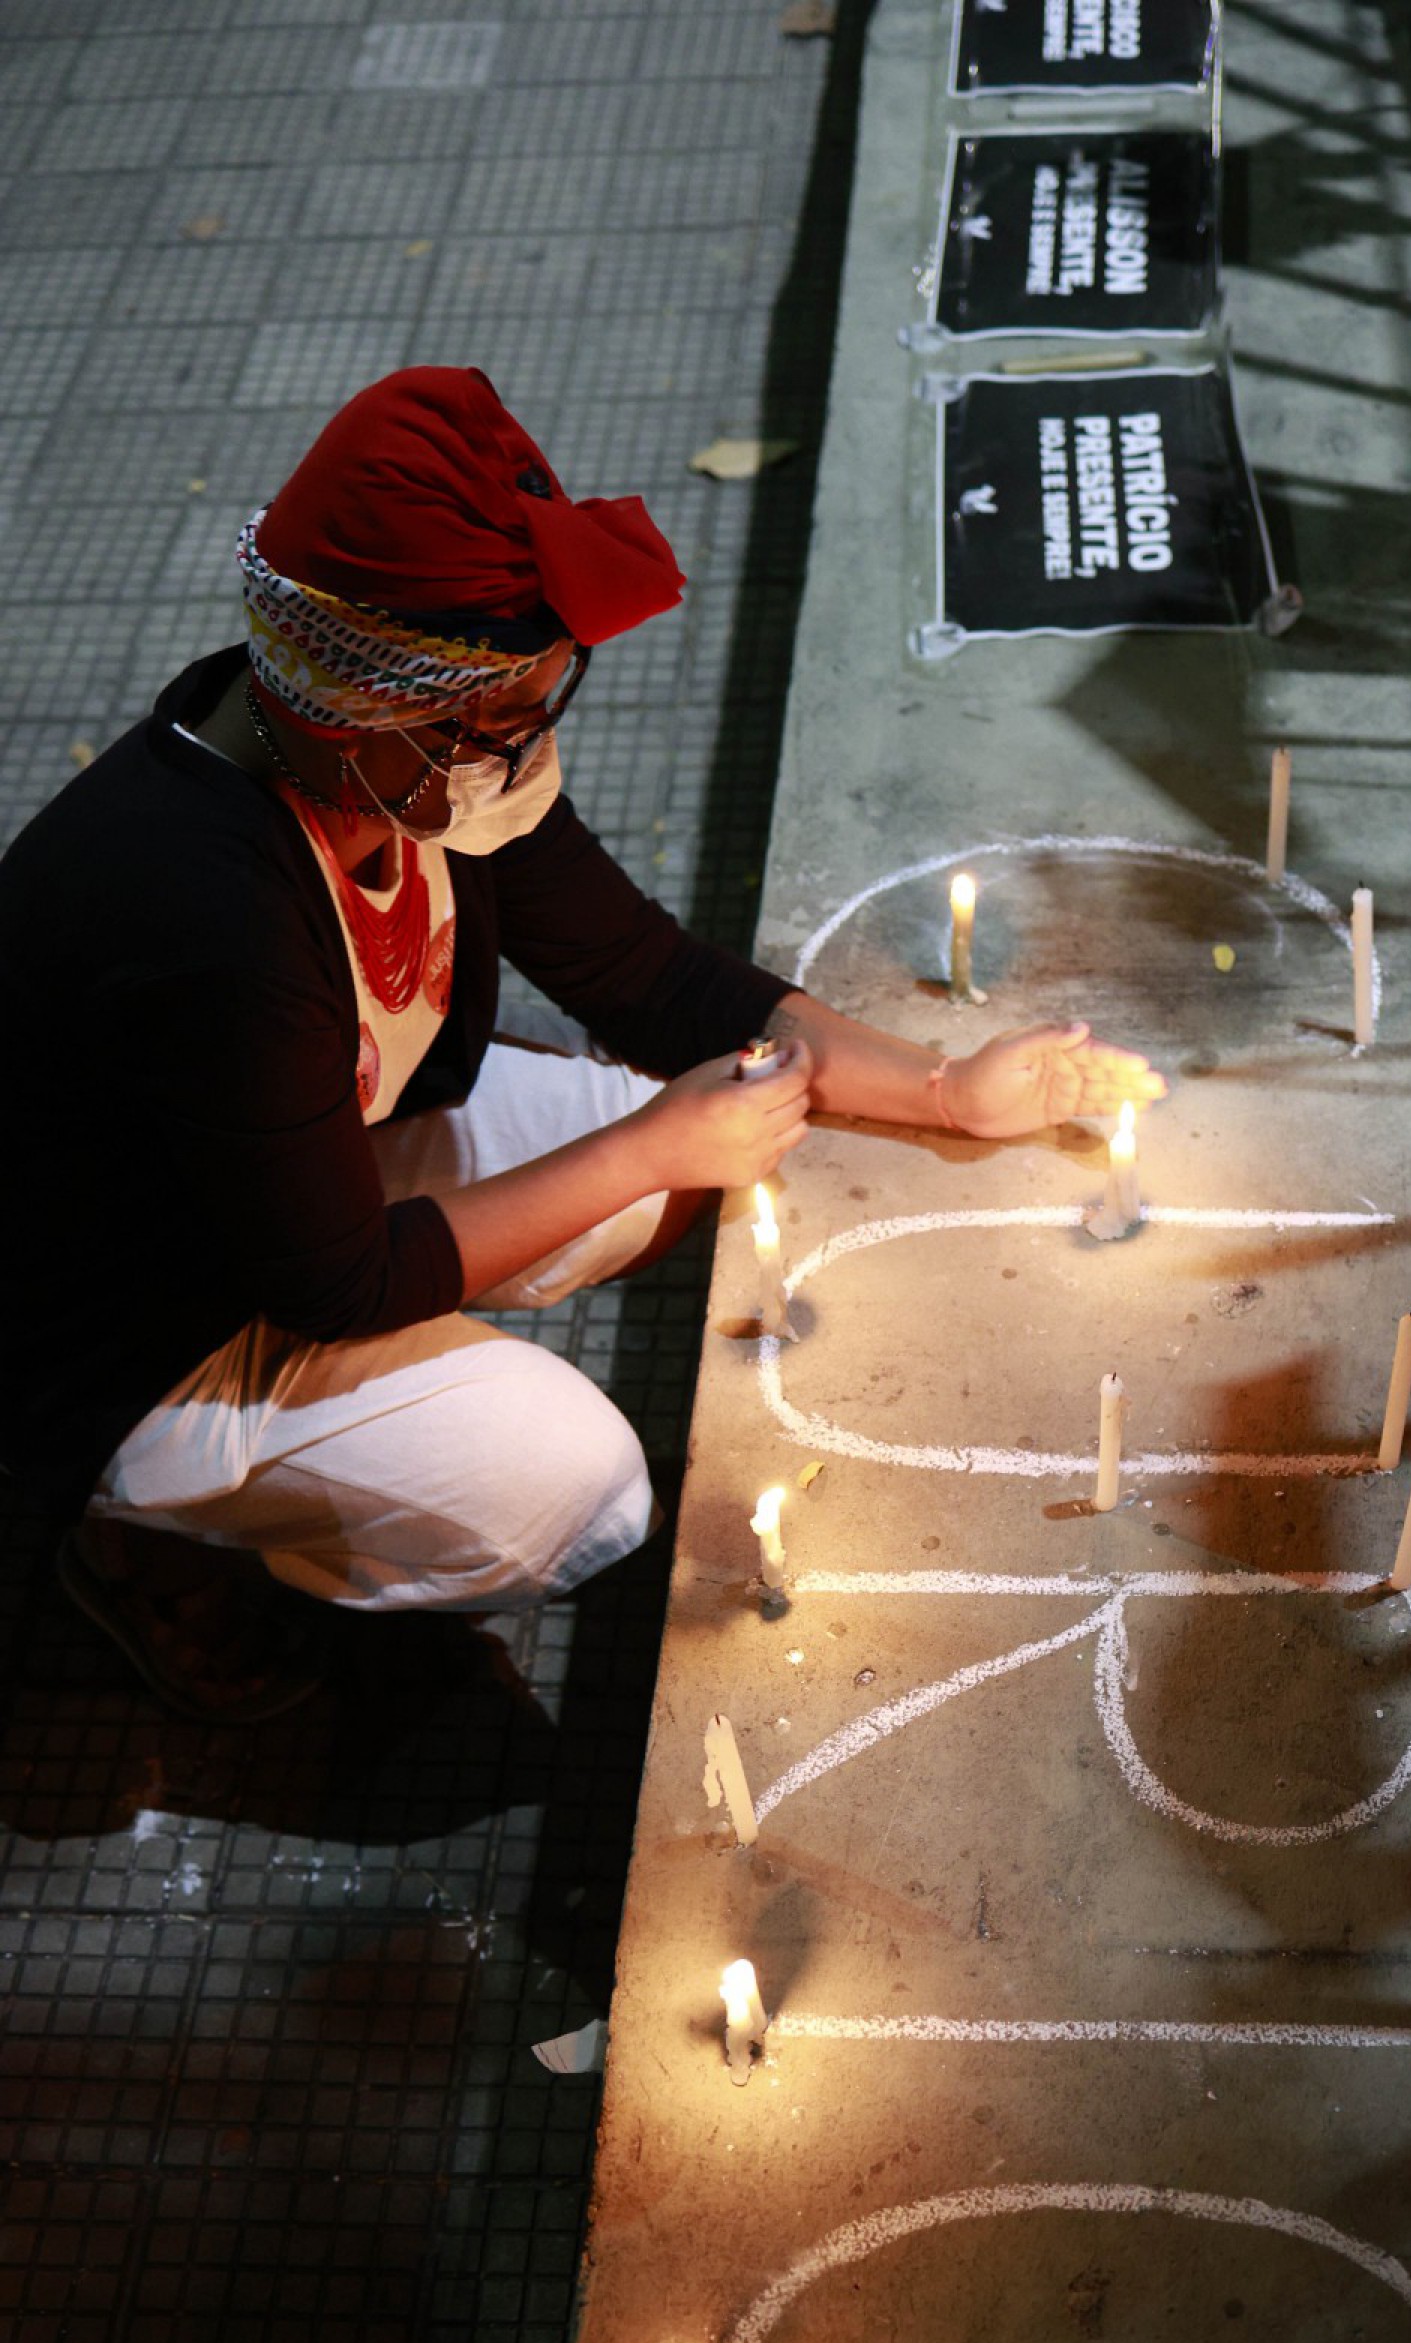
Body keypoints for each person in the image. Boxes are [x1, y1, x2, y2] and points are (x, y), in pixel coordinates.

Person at [0, 368, 1163, 1720]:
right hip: (131, 1322)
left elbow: (646, 973)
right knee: (577, 1488)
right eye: (501, 721)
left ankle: (364, 1421)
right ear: (364, 711)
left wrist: (949, 1091)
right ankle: (153, 1544)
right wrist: (649, 1139)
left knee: (685, 1167)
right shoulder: (216, 923)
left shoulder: (393, 761)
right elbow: (334, 1282)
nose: (527, 751)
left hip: (298, 1170)